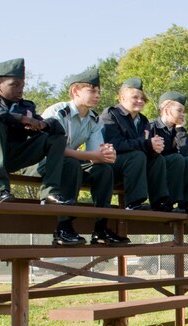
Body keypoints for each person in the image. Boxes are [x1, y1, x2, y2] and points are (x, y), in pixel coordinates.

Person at [0, 58, 71, 204]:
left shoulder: (25, 106)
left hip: (9, 158)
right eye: (15, 85)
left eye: (23, 85)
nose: (20, 89)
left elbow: (58, 129)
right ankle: (0, 190)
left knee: (56, 139)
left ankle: (50, 193)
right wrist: (18, 118)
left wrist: (42, 124)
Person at [40, 67, 129, 245]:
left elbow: (95, 155)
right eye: (92, 90)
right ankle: (63, 229)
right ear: (75, 91)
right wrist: (93, 155)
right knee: (71, 163)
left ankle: (100, 229)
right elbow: (54, 150)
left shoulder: (93, 119)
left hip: (68, 165)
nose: (97, 95)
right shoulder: (57, 113)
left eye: (98, 91)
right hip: (43, 163)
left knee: (104, 170)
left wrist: (106, 155)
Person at [101, 78, 169, 211]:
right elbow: (114, 145)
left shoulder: (143, 120)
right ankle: (133, 203)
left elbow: (144, 146)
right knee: (136, 156)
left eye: (142, 98)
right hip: (111, 165)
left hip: (134, 166)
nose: (140, 101)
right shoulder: (110, 115)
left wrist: (154, 147)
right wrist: (146, 144)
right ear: (122, 98)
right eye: (135, 97)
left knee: (158, 159)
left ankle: (159, 202)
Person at [147, 91, 188, 213]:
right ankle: (168, 203)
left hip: (172, 169)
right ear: (167, 110)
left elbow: (185, 153)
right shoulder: (151, 126)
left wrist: (180, 130)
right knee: (177, 159)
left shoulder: (178, 130)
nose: (182, 114)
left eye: (183, 111)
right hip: (153, 171)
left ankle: (183, 205)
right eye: (179, 111)